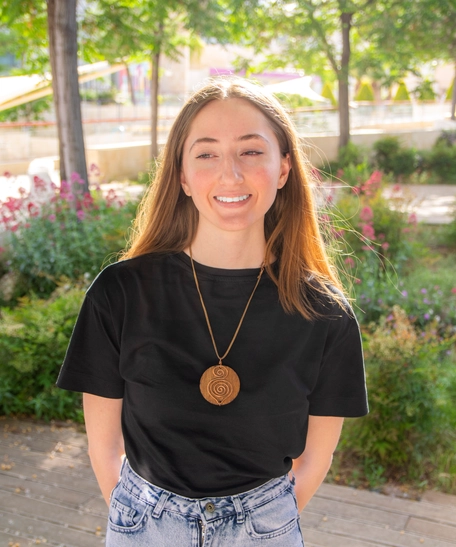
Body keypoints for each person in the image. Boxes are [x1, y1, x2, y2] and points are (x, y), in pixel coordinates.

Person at [57, 77, 368, 547]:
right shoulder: (120, 293)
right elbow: (104, 446)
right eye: (206, 154)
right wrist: (138, 521)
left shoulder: (326, 315)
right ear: (182, 175)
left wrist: (262, 525)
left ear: (283, 167)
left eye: (250, 152)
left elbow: (314, 461)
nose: (231, 175)